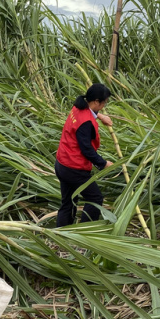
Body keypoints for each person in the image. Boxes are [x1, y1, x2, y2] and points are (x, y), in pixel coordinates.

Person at [54, 83, 114, 226]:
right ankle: (86, 232)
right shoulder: (86, 123)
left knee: (68, 202)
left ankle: (60, 235)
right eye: (104, 103)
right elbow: (86, 149)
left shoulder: (78, 106)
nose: (104, 105)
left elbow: (89, 112)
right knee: (95, 198)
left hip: (62, 163)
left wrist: (100, 116)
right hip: (74, 168)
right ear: (96, 102)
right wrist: (103, 163)